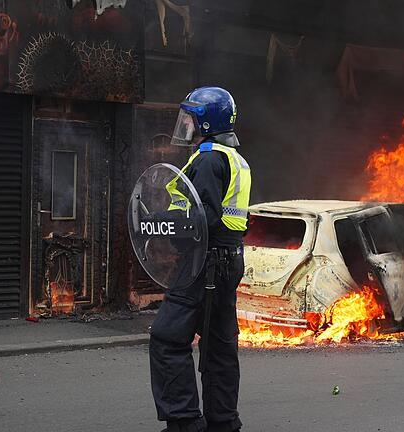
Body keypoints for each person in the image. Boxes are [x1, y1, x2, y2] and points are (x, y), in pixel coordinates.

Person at [150, 87, 251, 432]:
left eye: (190, 116)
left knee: (167, 337)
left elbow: (204, 216)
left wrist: (161, 225)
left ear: (206, 121)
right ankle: (223, 422)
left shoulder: (208, 158)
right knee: (218, 345)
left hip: (203, 261)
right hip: (227, 259)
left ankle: (184, 422)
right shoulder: (233, 157)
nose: (186, 123)